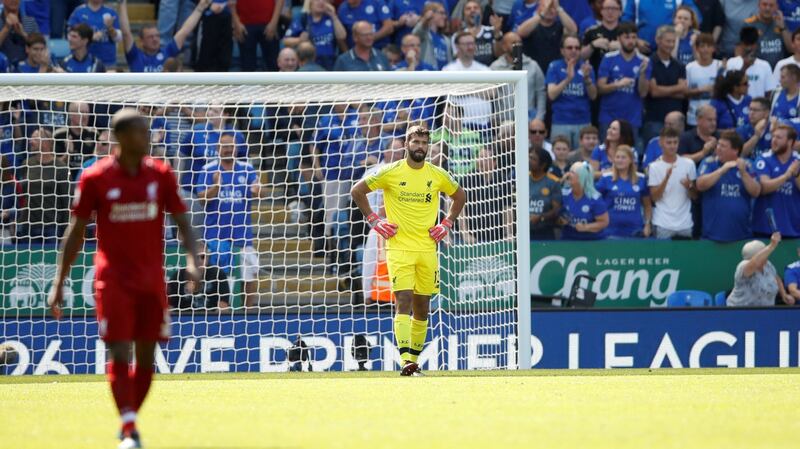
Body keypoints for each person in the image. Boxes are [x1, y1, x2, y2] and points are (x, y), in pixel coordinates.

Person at [48, 109, 200, 449]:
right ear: (123, 137)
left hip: (151, 281)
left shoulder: (160, 174)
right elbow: (75, 231)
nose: (149, 137)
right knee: (119, 350)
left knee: (146, 358)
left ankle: (129, 419)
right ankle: (130, 428)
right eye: (142, 132)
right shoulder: (95, 177)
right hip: (112, 278)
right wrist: (59, 281)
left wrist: (192, 260)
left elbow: (183, 221)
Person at [350, 125, 467, 376]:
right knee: (403, 301)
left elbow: (460, 196)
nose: (420, 147)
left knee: (422, 306)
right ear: (407, 144)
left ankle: (412, 360)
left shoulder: (437, 174)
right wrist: (374, 220)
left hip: (427, 249)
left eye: (424, 143)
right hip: (399, 247)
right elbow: (357, 191)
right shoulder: (390, 172)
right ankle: (406, 361)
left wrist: (447, 223)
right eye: (415, 142)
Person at [195, 132, 262, 308]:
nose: (227, 149)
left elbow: (261, 192)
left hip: (242, 234)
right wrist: (217, 186)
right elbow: (202, 199)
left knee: (249, 276)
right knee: (219, 279)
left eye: (230, 146)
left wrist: (258, 190)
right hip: (215, 235)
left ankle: (249, 314)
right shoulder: (208, 169)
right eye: (224, 146)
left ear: (236, 148)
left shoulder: (247, 169)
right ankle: (219, 315)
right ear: (218, 148)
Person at [696, 131, 761, 242]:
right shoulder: (709, 163)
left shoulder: (748, 165)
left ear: (735, 150)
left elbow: (756, 192)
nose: (718, 148)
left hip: (741, 235)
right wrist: (721, 170)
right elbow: (700, 185)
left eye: (723, 146)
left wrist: (743, 173)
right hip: (711, 235)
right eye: (718, 145)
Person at [120, 0, 208, 73]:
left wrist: (199, 9)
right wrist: (122, 3)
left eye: (157, 36)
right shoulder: (135, 55)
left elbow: (184, 31)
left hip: (163, 94)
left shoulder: (168, 52)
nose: (155, 39)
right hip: (140, 93)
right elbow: (126, 33)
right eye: (150, 37)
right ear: (142, 41)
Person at [597, 22, 651, 139]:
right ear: (618, 38)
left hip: (632, 118)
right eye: (626, 37)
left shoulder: (644, 61)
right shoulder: (608, 58)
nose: (630, 41)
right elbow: (600, 88)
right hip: (609, 117)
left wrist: (642, 75)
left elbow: (643, 93)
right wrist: (618, 84)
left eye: (633, 37)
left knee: (629, 154)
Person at [17, 128, 71, 244]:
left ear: (47, 142)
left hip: (52, 227)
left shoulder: (61, 168)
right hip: (28, 225)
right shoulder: (27, 163)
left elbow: (66, 201)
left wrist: (66, 229)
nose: (30, 141)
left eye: (35, 138)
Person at [546, 34, 597, 148]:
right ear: (562, 50)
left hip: (583, 121)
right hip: (561, 121)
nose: (574, 51)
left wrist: (587, 79)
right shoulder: (554, 66)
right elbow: (552, 94)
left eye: (577, 48)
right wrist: (568, 78)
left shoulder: (586, 67)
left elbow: (593, 96)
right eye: (569, 48)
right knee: (560, 158)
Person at [648, 127, 697, 239]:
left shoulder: (689, 164)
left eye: (675, 142)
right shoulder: (654, 167)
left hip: (685, 223)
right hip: (662, 223)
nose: (672, 146)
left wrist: (689, 186)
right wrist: (666, 178)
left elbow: (695, 196)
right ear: (661, 143)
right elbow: (655, 197)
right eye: (669, 142)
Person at [752, 124, 800, 238]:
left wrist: (797, 174)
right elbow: (763, 188)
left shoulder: (798, 160)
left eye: (778, 138)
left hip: (793, 228)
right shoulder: (763, 159)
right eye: (773, 137)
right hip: (765, 228)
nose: (773, 140)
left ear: (790, 142)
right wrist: (787, 175)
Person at [596, 145, 652, 237]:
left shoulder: (641, 179)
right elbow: (595, 202)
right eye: (617, 157)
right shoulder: (606, 178)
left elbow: (647, 205)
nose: (620, 160)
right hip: (610, 230)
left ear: (631, 160)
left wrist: (647, 225)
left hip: (635, 230)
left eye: (623, 157)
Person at [459, 148, 514, 242]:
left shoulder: (503, 180)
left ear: (494, 162)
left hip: (497, 235)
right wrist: (465, 233)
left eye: (485, 158)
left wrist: (508, 233)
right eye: (479, 157)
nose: (481, 161)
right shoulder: (467, 179)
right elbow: (461, 208)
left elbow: (507, 208)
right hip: (473, 236)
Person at [644, 25, 687, 144]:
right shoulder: (649, 62)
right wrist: (677, 88)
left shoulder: (679, 66)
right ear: (658, 40)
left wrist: (662, 90)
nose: (671, 45)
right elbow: (654, 92)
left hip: (676, 120)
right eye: (668, 41)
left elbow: (683, 94)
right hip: (654, 119)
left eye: (673, 41)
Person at [491, 32, 546, 120]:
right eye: (513, 43)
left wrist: (539, 118)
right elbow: (490, 95)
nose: (517, 45)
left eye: (519, 42)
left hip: (528, 120)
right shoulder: (495, 67)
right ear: (504, 46)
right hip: (504, 122)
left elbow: (541, 93)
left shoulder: (533, 65)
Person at [727, 233, 793, 306]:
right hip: (740, 311)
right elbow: (754, 263)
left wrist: (784, 294)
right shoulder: (743, 266)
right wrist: (771, 246)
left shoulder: (768, 264)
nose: (767, 254)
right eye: (764, 251)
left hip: (766, 312)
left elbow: (776, 277)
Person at [283, 0, 347, 71]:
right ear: (310, 2)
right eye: (317, 0)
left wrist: (334, 16)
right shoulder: (303, 19)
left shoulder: (330, 18)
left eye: (324, 0)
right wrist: (299, 40)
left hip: (330, 64)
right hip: (308, 65)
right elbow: (286, 41)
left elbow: (342, 36)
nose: (321, 2)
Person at [517, 0, 577, 73]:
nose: (549, 10)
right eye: (546, 6)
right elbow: (520, 32)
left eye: (553, 7)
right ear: (538, 8)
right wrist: (542, 14)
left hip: (554, 71)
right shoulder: (532, 24)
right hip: (534, 70)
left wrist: (558, 9)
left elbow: (573, 30)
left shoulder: (560, 26)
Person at [621, 0, 698, 54]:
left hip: (669, 50)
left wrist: (692, 33)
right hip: (642, 49)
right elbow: (626, 23)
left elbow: (695, 17)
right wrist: (636, 40)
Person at [558, 161, 609, 239]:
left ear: (582, 177)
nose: (568, 174)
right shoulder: (564, 193)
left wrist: (586, 227)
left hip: (592, 240)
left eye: (572, 172)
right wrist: (561, 221)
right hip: (568, 238)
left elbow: (604, 222)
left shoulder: (594, 199)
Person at [230, 0, 284, 72]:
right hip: (244, 26)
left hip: (269, 24)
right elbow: (231, 2)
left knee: (273, 65)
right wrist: (236, 23)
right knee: (247, 66)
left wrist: (274, 22)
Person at [726, 27, 778, 99]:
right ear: (741, 43)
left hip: (759, 108)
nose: (749, 48)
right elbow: (729, 87)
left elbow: (769, 91)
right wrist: (745, 66)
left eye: (752, 44)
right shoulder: (731, 62)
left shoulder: (765, 65)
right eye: (746, 44)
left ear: (757, 44)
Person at [67, 0, 120, 68]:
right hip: (82, 61)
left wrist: (111, 29)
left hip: (107, 61)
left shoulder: (111, 12)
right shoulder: (78, 12)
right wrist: (90, 37)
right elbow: (70, 36)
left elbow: (119, 38)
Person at [685, 32, 722, 127]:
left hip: (715, 118)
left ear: (714, 48)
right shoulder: (689, 68)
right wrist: (701, 90)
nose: (705, 49)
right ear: (697, 48)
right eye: (702, 46)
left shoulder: (720, 66)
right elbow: (684, 92)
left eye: (709, 46)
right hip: (694, 118)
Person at [453, 0, 502, 67]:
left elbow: (499, 55)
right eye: (468, 9)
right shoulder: (458, 36)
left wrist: (497, 33)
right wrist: (471, 38)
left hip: (490, 72)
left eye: (475, 8)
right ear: (464, 15)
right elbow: (457, 59)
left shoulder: (492, 30)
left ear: (481, 13)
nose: (472, 10)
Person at [743, 0, 790, 68]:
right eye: (764, 4)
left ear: (777, 7)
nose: (767, 8)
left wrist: (783, 27)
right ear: (758, 5)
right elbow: (741, 50)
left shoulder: (780, 23)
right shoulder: (749, 24)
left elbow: (790, 49)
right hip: (757, 70)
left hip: (778, 71)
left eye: (771, 5)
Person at [528, 146, 561, 240]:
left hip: (545, 232)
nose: (529, 161)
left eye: (533, 159)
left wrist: (540, 217)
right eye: (529, 157)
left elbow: (556, 210)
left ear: (543, 164)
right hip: (524, 231)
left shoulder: (553, 182)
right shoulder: (522, 179)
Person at [581, 0, 621, 73]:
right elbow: (580, 57)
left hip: (621, 77)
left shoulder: (626, 33)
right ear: (601, 11)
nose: (610, 12)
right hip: (597, 76)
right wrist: (592, 45)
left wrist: (622, 48)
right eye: (607, 8)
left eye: (614, 8)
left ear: (620, 12)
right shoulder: (591, 32)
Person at [196, 0, 233, 72]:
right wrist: (209, 5)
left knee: (224, 58)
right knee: (206, 57)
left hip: (227, 15)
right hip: (208, 16)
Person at [411, 1, 450, 70]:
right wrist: (425, 19)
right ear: (430, 14)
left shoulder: (446, 39)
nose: (444, 16)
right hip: (427, 76)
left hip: (444, 78)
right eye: (441, 13)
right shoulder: (424, 34)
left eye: (445, 13)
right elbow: (415, 34)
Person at [0, 0, 40, 64]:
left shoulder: (30, 21)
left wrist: (23, 33)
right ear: (2, 1)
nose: (14, 1)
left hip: (26, 69)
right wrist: (6, 28)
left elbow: (40, 49)